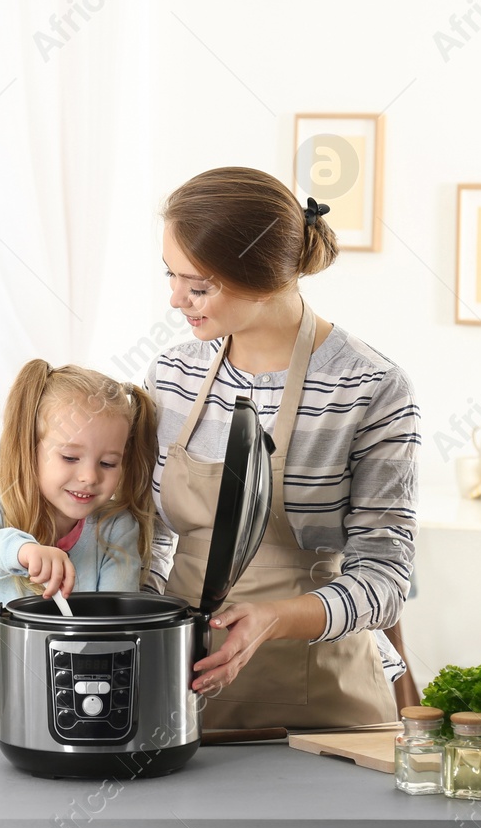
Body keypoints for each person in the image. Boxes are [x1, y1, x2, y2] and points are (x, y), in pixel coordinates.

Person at [145, 166, 420, 730]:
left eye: (197, 286)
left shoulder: (367, 387)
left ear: (264, 280)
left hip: (322, 697)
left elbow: (386, 580)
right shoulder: (172, 375)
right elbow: (146, 536)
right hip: (182, 686)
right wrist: (146, 642)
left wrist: (273, 619)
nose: (176, 299)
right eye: (171, 276)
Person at [0, 359, 159, 729]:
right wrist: (19, 550)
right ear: (30, 449)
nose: (89, 476)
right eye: (70, 457)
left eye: (108, 462)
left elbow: (114, 629)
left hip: (71, 717)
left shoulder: (115, 530)